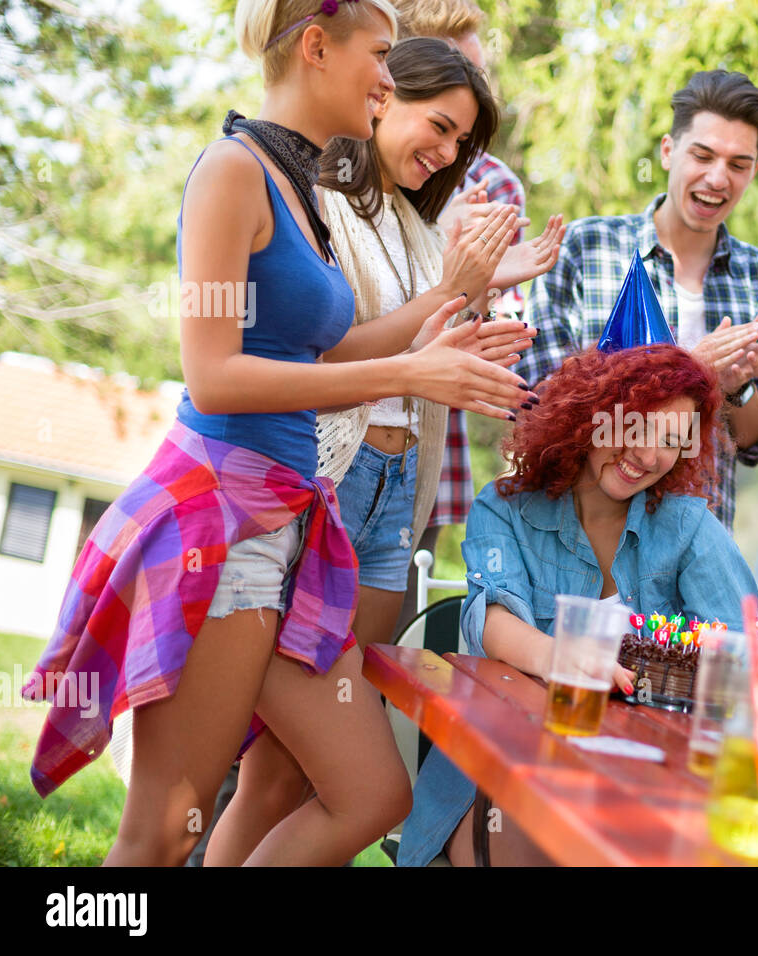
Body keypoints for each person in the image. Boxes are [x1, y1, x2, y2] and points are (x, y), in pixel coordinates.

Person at [21, 0, 534, 866]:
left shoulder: (304, 190)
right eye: (381, 55)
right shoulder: (231, 170)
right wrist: (408, 374)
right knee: (156, 836)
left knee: (373, 793)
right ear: (316, 47)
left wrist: (438, 334)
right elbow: (214, 376)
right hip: (220, 530)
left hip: (293, 532)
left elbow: (333, 345)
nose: (387, 75)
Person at [197, 36, 563, 866]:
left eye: (461, 145)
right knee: (291, 768)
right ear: (384, 97)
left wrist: (475, 332)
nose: (444, 154)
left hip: (396, 493)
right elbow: (320, 358)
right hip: (331, 475)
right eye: (436, 126)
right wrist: (454, 299)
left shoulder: (418, 222)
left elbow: (423, 349)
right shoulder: (316, 197)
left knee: (292, 770)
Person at [398, 344, 758, 865]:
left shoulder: (688, 526)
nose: (647, 454)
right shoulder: (505, 509)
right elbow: (492, 615)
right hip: (508, 780)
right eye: (634, 426)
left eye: (669, 440)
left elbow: (752, 649)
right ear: (591, 417)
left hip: (651, 786)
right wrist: (560, 659)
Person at [520, 69, 758, 530]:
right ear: (669, 152)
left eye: (738, 164)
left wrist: (735, 388)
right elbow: (539, 402)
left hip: (691, 549)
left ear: (754, 170)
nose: (717, 178)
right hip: (570, 536)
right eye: (703, 155)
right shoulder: (586, 249)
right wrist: (692, 369)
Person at [392, 0, 532, 629]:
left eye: (476, 74)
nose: (455, 147)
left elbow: (497, 335)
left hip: (422, 458)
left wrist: (477, 285)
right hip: (323, 450)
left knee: (370, 654)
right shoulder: (334, 164)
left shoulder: (495, 186)